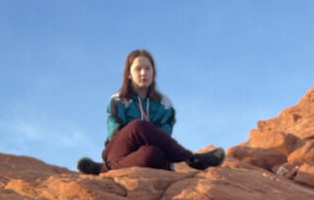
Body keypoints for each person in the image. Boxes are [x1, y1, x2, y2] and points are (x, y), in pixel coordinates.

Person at [76, 48, 225, 175]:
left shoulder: (164, 104)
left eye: (148, 68)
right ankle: (191, 158)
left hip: (148, 154)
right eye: (138, 69)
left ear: (154, 72)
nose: (143, 73)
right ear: (129, 74)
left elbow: (164, 136)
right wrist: (143, 134)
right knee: (138, 127)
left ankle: (101, 169)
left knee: (153, 153)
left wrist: (150, 140)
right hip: (119, 150)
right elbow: (116, 132)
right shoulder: (119, 100)